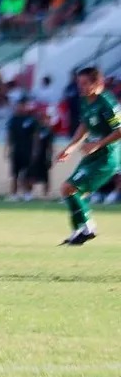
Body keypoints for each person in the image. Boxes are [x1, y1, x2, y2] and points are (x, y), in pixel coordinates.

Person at [55, 67, 121, 246]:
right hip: (93, 155)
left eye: (85, 83)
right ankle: (79, 230)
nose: (81, 87)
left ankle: (88, 227)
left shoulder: (106, 103)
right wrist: (70, 148)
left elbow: (119, 130)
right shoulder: (85, 101)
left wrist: (97, 144)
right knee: (69, 190)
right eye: (79, 84)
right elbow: (84, 125)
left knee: (69, 187)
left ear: (98, 83)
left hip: (107, 157)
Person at [5, 95, 37, 201]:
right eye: (19, 105)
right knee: (14, 173)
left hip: (27, 150)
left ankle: (27, 193)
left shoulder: (31, 120)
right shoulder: (13, 120)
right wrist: (8, 149)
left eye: (23, 105)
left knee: (27, 173)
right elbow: (9, 136)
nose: (21, 107)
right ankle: (13, 194)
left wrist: (34, 151)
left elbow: (35, 137)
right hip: (16, 149)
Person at [27, 108, 55, 199]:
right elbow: (35, 142)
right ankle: (29, 194)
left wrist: (50, 157)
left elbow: (50, 146)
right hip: (36, 156)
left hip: (44, 156)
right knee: (31, 176)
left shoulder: (49, 131)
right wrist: (34, 154)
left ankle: (46, 195)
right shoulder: (36, 129)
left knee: (46, 177)